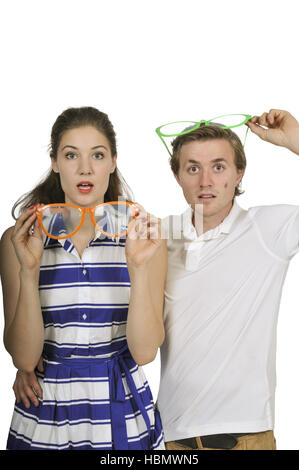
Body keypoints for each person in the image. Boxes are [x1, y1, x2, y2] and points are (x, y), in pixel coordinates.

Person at [0, 106, 167, 450]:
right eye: (71, 154)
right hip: (44, 415)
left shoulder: (145, 237)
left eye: (98, 155)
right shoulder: (18, 240)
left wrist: (136, 267)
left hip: (123, 413)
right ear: (55, 162)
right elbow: (25, 359)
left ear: (113, 162)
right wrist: (29, 270)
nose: (85, 168)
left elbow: (145, 351)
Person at [157, 109, 299, 451]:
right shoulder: (159, 236)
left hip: (246, 436)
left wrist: (295, 141)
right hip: (173, 436)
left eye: (218, 166)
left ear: (239, 173)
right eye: (193, 168)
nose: (205, 181)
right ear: (177, 176)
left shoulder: (269, 229)